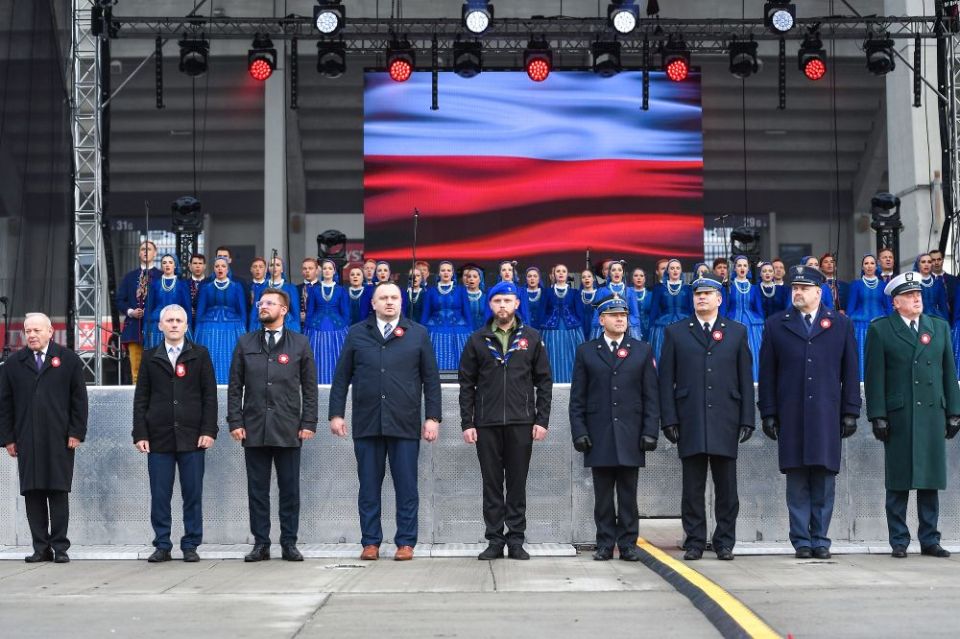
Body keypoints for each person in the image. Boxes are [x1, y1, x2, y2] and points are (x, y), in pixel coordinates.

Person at [329, 282, 442, 561]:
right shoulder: (357, 333)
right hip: (368, 422)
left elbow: (431, 379)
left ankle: (406, 542)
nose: (389, 302)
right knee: (368, 486)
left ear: (401, 302)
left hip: (404, 422)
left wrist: (433, 418)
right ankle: (370, 542)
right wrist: (336, 414)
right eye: (383, 298)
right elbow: (342, 376)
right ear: (373, 303)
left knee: (406, 486)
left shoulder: (418, 334)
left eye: (394, 297)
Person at [758, 265, 860, 559]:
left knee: (825, 479)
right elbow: (768, 374)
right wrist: (768, 412)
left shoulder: (839, 324)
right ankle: (802, 540)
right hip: (791, 413)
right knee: (797, 480)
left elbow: (851, 371)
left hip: (826, 414)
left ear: (819, 292)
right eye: (794, 288)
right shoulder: (777, 324)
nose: (797, 292)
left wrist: (851, 410)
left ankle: (821, 539)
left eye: (803, 288)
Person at [865, 272, 960, 559]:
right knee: (898, 481)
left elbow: (949, 373)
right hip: (900, 415)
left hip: (932, 413)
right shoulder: (881, 330)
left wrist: (954, 411)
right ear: (896, 303)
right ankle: (899, 540)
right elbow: (874, 377)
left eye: (917, 293)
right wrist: (877, 415)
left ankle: (930, 539)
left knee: (930, 480)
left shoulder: (938, 328)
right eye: (909, 295)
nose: (916, 298)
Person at [659, 277, 754, 561]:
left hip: (726, 418)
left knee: (727, 488)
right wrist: (669, 419)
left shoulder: (736, 332)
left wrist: (747, 418)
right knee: (692, 488)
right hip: (690, 419)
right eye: (698, 294)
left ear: (719, 299)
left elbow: (745, 379)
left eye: (708, 294)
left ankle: (724, 542)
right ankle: (695, 541)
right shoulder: (676, 332)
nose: (702, 298)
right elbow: (666, 381)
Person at [458, 281, 553, 560]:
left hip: (521, 422)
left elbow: (544, 382)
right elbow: (467, 384)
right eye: (497, 300)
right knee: (491, 484)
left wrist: (542, 419)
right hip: (486, 424)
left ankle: (516, 540)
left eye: (507, 301)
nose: (502, 306)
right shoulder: (477, 339)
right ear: (490, 305)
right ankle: (495, 540)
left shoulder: (532, 338)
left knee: (517, 483)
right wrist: (467, 422)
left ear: (516, 304)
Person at [228, 288, 318, 562]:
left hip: (289, 427)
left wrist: (309, 421)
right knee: (258, 491)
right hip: (253, 427)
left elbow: (310, 388)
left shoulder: (300, 343)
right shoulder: (245, 343)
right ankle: (261, 544)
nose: (262, 306)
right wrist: (235, 420)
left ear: (284, 310)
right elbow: (235, 387)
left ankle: (289, 543)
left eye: (269, 303)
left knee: (289, 490)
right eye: (261, 303)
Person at [569, 295, 658, 562]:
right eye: (614, 315)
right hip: (599, 434)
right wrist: (579, 431)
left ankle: (628, 544)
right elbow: (578, 398)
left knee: (629, 495)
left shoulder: (641, 349)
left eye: (624, 315)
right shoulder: (587, 351)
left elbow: (651, 396)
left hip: (631, 433)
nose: (620, 319)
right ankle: (605, 543)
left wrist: (650, 430)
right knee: (603, 496)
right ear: (602, 319)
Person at [132, 304, 217, 563]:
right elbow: (141, 399)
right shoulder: (149, 357)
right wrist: (140, 433)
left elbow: (209, 397)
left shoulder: (200, 354)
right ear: (160, 326)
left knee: (192, 494)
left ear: (186, 325)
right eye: (169, 320)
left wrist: (208, 430)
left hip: (193, 437)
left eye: (179, 320)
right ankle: (162, 544)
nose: (174, 324)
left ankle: (190, 544)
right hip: (158, 438)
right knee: (160, 495)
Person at [0, 313, 87, 563]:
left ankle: (60, 547)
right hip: (26, 439)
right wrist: (8, 438)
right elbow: (4, 404)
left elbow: (79, 400)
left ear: (50, 331)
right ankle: (40, 547)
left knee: (58, 492)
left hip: (60, 438)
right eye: (28, 331)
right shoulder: (14, 364)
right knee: (33, 493)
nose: (32, 335)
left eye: (37, 330)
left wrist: (76, 432)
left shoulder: (68, 359)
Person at [194, 257, 247, 384]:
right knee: (210, 355)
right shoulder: (207, 287)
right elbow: (201, 310)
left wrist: (244, 331)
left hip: (233, 327)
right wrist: (197, 330)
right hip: (208, 326)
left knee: (230, 356)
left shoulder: (236, 287)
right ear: (213, 269)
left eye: (223, 266)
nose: (220, 268)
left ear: (228, 269)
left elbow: (242, 310)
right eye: (217, 266)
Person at [117, 240, 161, 383]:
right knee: (136, 370)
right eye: (143, 249)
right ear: (138, 253)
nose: (145, 252)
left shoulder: (161, 276)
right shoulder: (130, 277)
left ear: (155, 253)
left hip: (155, 329)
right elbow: (119, 300)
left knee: (156, 369)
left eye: (149, 249)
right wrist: (130, 311)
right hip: (134, 328)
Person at [304, 258, 350, 384]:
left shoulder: (341, 290)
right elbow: (310, 311)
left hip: (338, 329)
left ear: (334, 271)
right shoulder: (314, 290)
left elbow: (345, 313)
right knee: (316, 357)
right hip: (315, 328)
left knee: (337, 357)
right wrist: (307, 329)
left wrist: (345, 329)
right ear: (321, 271)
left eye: (330, 268)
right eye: (325, 268)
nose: (327, 271)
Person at [421, 261, 472, 370]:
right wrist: (421, 332)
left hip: (459, 331)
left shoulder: (461, 290)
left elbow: (467, 312)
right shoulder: (431, 291)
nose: (446, 273)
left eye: (449, 270)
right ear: (438, 273)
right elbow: (425, 313)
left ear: (452, 273)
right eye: (443, 270)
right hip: (434, 331)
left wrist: (471, 331)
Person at [845, 254, 890, 380]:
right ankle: (861, 386)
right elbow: (850, 308)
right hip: (860, 327)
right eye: (866, 263)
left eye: (872, 263)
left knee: (879, 356)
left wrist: (892, 324)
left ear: (877, 266)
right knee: (861, 356)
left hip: (880, 326)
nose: (869, 266)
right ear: (862, 267)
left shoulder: (883, 285)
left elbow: (889, 308)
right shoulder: (856, 284)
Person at [540, 263, 584, 384]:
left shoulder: (575, 292)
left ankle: (572, 384)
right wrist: (539, 332)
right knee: (552, 358)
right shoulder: (547, 292)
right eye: (558, 271)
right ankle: (552, 384)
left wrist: (581, 331)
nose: (560, 273)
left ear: (567, 274)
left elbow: (579, 313)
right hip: (550, 332)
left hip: (571, 331)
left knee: (571, 357)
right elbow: (542, 312)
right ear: (553, 275)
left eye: (563, 271)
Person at [724, 256, 764, 381]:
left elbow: (758, 308)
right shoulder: (728, 287)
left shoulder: (754, 288)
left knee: (754, 353)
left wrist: (764, 325)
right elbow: (724, 308)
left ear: (748, 269)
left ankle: (755, 380)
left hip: (753, 325)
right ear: (734, 268)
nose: (742, 268)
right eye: (739, 265)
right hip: (733, 323)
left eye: (745, 265)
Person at [143, 254, 192, 349]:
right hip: (156, 324)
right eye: (164, 263)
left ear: (175, 265)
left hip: (176, 322)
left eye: (170, 262)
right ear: (161, 266)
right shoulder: (154, 284)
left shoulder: (182, 284)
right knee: (156, 352)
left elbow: (187, 308)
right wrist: (145, 326)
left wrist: (188, 326)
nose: (167, 265)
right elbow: (149, 307)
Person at [648, 259, 693, 360]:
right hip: (663, 327)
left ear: (681, 271)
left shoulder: (687, 288)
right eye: (672, 268)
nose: (675, 270)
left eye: (678, 268)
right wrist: (650, 330)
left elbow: (692, 309)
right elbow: (654, 310)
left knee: (684, 356)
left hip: (685, 326)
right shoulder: (659, 288)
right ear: (667, 271)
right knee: (664, 356)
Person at [266, 255, 302, 332]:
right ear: (268, 269)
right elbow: (255, 311)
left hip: (287, 325)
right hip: (266, 323)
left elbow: (295, 311)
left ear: (282, 269)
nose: (275, 267)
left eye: (278, 265)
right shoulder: (262, 287)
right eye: (272, 265)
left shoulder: (291, 288)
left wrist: (297, 330)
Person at [913, 253, 949, 320]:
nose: (926, 264)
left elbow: (943, 307)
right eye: (923, 262)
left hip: (936, 319)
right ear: (918, 264)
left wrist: (946, 326)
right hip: (918, 320)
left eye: (929, 262)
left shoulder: (938, 283)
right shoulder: (914, 283)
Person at [929, 248, 958, 315]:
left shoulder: (954, 280)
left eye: (939, 259)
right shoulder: (925, 282)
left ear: (943, 260)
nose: (936, 262)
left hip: (952, 320)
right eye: (933, 260)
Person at [629, 267, 652, 341]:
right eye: (636, 276)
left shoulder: (651, 295)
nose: (639, 278)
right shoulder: (627, 293)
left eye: (641, 276)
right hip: (631, 328)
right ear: (632, 279)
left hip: (648, 328)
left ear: (645, 279)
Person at [248, 257, 269, 331]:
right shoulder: (246, 286)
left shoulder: (270, 287)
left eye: (261, 267)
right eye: (255, 267)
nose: (257, 269)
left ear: (265, 270)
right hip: (250, 323)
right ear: (251, 269)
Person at [462, 265, 487, 330]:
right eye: (469, 276)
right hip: (464, 334)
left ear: (480, 279)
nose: (471, 279)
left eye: (475, 276)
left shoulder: (485, 297)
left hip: (481, 333)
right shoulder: (461, 297)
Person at [298, 257, 320, 327]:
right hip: (301, 326)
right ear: (302, 271)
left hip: (318, 326)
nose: (307, 271)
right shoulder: (296, 289)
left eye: (310, 268)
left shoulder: (323, 288)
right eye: (304, 268)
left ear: (317, 271)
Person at [578, 269, 599, 341]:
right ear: (581, 280)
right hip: (581, 325)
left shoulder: (599, 293)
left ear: (593, 279)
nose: (586, 278)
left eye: (589, 276)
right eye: (583, 277)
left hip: (595, 324)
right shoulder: (577, 294)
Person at [186, 253, 207, 325]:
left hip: (205, 321)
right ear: (190, 266)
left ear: (204, 266)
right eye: (195, 263)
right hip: (188, 321)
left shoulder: (210, 284)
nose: (197, 266)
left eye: (200, 263)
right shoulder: (183, 284)